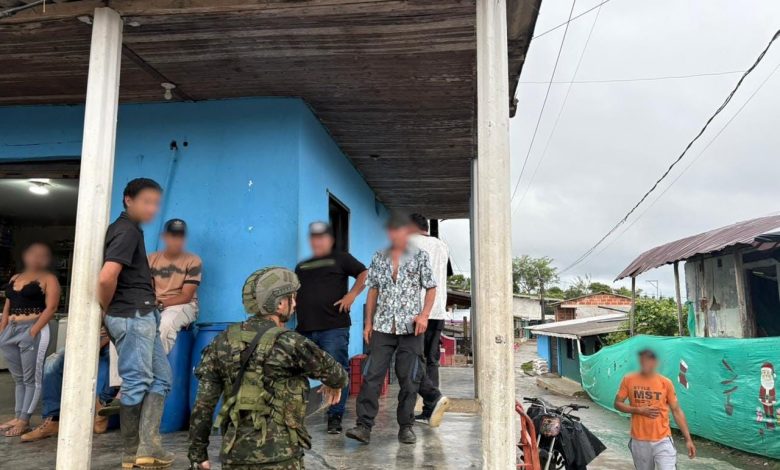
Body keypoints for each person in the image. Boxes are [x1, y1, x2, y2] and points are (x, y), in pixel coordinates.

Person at [188, 267, 348, 470]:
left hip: (235, 457)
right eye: (292, 298)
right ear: (280, 303)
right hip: (281, 458)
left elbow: (203, 405)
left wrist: (198, 454)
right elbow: (338, 375)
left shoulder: (221, 341)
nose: (295, 304)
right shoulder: (291, 343)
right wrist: (333, 384)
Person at [345, 213, 447, 445]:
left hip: (411, 329)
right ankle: (363, 426)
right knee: (371, 376)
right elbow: (373, 290)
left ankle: (406, 426)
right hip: (382, 327)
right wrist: (368, 323)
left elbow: (431, 288)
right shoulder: (379, 257)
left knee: (409, 379)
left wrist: (424, 315)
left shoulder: (419, 256)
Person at [98, 178, 173, 469]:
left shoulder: (129, 229)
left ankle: (148, 447)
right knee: (137, 382)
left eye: (156, 203)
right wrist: (108, 308)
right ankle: (132, 452)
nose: (152, 208)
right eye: (146, 201)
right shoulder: (126, 230)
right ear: (128, 200)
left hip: (140, 313)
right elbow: (107, 277)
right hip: (132, 314)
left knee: (161, 378)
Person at [295, 221, 367, 434]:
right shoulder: (303, 266)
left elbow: (364, 273)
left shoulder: (341, 258)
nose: (317, 242)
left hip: (333, 328)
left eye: (322, 238)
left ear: (330, 240)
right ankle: (294, 414)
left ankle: (335, 417)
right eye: (314, 238)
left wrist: (351, 295)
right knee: (295, 370)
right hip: (304, 328)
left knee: (336, 371)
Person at [0, 242, 60, 437]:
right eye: (33, 253)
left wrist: (33, 332)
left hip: (34, 328)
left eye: (42, 255)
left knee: (31, 377)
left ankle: (24, 420)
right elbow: (7, 306)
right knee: (18, 378)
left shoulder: (49, 278)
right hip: (11, 330)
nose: (36, 258)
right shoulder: (15, 277)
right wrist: (2, 330)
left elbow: (51, 307)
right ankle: (18, 415)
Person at [20, 327, 117, 442]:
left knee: (115, 360)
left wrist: (99, 344)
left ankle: (103, 404)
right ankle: (53, 419)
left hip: (116, 340)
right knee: (53, 361)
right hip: (91, 337)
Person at [614, 349, 696, 470]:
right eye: (643, 360)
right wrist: (639, 410)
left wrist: (688, 440)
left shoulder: (665, 383)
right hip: (639, 440)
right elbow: (617, 404)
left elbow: (676, 411)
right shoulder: (629, 379)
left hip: (663, 440)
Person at [409, 213, 451, 427]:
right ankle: (429, 410)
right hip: (438, 310)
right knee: (431, 361)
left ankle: (430, 399)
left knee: (409, 360)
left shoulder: (409, 243)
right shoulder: (442, 246)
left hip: (418, 312)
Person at [148, 218, 203, 354]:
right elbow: (147, 289)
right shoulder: (151, 259)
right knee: (127, 324)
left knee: (165, 324)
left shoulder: (193, 260)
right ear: (164, 237)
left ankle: (154, 366)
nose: (177, 240)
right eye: (173, 236)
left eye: (180, 236)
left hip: (184, 305)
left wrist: (160, 304)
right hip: (155, 304)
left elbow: (186, 296)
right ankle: (124, 368)